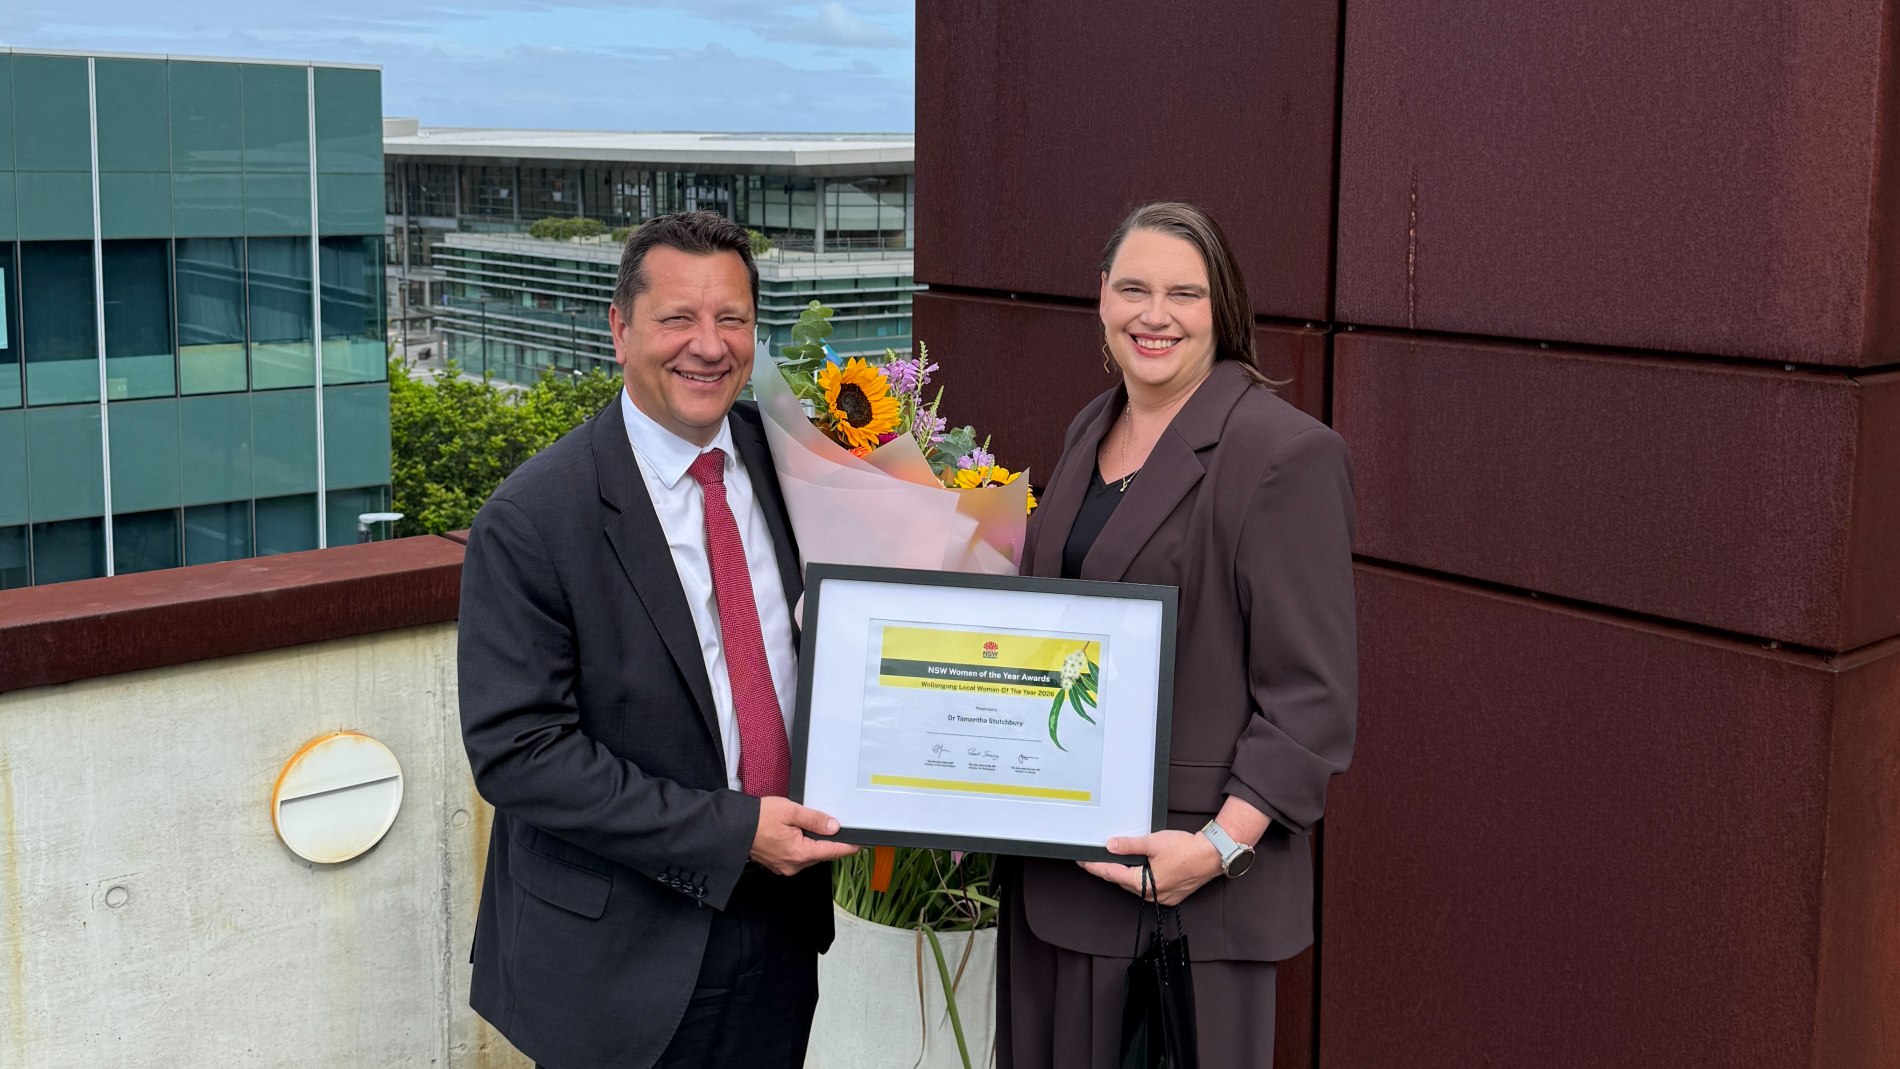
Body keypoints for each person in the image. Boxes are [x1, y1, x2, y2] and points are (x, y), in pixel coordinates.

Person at [457, 210, 857, 1069]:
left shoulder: (799, 469)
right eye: (677, 318)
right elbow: (519, 753)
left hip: (781, 927)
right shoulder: (533, 519)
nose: (708, 346)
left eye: (733, 319)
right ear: (620, 328)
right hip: (618, 959)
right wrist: (731, 830)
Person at [998, 202, 1357, 1067]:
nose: (1153, 315)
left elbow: (1312, 702)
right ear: (1101, 299)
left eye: (1183, 294)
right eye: (1134, 289)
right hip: (1053, 883)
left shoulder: (1281, 454)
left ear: (1221, 309)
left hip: (1180, 899)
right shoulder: (1094, 426)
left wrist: (1218, 848)